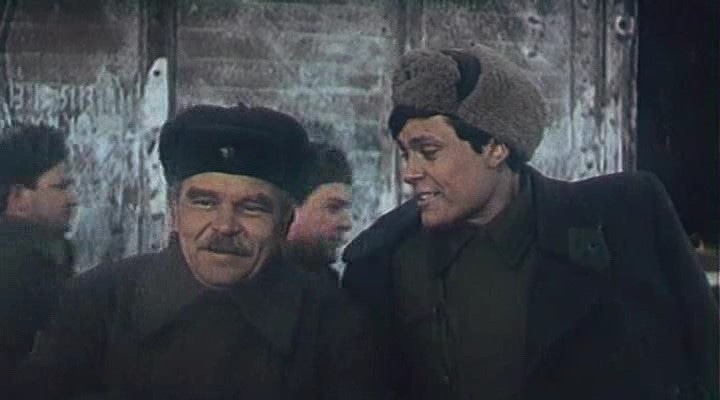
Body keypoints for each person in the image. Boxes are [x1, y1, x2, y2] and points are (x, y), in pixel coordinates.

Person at [341, 45, 719, 400]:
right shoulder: (382, 259)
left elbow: (707, 360)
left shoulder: (623, 220)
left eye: (429, 152)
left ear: (495, 148)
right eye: (405, 154)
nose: (409, 172)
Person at [12, 104, 388, 399]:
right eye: (204, 202)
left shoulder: (332, 325)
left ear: (284, 221)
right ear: (175, 212)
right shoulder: (97, 304)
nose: (224, 225)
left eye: (252, 207)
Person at [0, 124, 76, 380]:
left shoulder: (48, 254)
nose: (72, 199)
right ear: (18, 198)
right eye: (59, 187)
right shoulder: (27, 266)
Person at [287, 142, 353, 284]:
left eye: (346, 208)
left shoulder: (327, 282)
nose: (347, 223)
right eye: (334, 208)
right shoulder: (248, 284)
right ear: (288, 210)